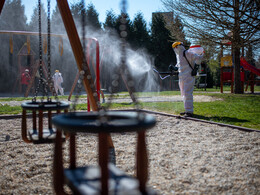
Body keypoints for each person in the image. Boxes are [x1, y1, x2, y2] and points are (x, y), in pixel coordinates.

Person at [172, 42, 204, 117]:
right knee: (183, 93)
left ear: (180, 46)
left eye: (176, 46)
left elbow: (198, 58)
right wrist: (174, 68)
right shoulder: (178, 55)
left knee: (187, 93)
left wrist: (195, 69)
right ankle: (187, 109)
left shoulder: (187, 52)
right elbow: (179, 66)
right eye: (174, 47)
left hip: (188, 75)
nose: (175, 48)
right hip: (181, 76)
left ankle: (189, 111)